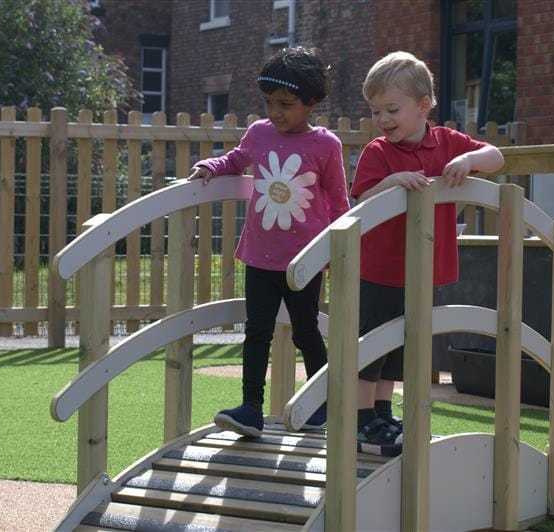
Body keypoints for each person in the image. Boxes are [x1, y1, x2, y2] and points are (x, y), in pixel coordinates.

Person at [189, 46, 350, 437]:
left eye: (285, 104)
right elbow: (236, 159)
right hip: (260, 256)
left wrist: (336, 251)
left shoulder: (326, 145)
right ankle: (251, 409)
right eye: (269, 103)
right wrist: (210, 166)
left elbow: (338, 201)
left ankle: (322, 406)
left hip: (304, 261)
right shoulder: (259, 133)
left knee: (306, 332)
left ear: (311, 103)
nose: (275, 112)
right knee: (256, 331)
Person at [350, 51, 504, 456]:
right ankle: (361, 418)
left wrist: (468, 159)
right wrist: (392, 181)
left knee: (399, 344)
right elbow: (362, 200)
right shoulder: (378, 152)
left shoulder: (447, 143)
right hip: (380, 268)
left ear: (423, 106)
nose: (382, 119)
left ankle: (381, 413)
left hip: (422, 266)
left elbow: (497, 157)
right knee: (373, 343)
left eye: (392, 110)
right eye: (375, 111)